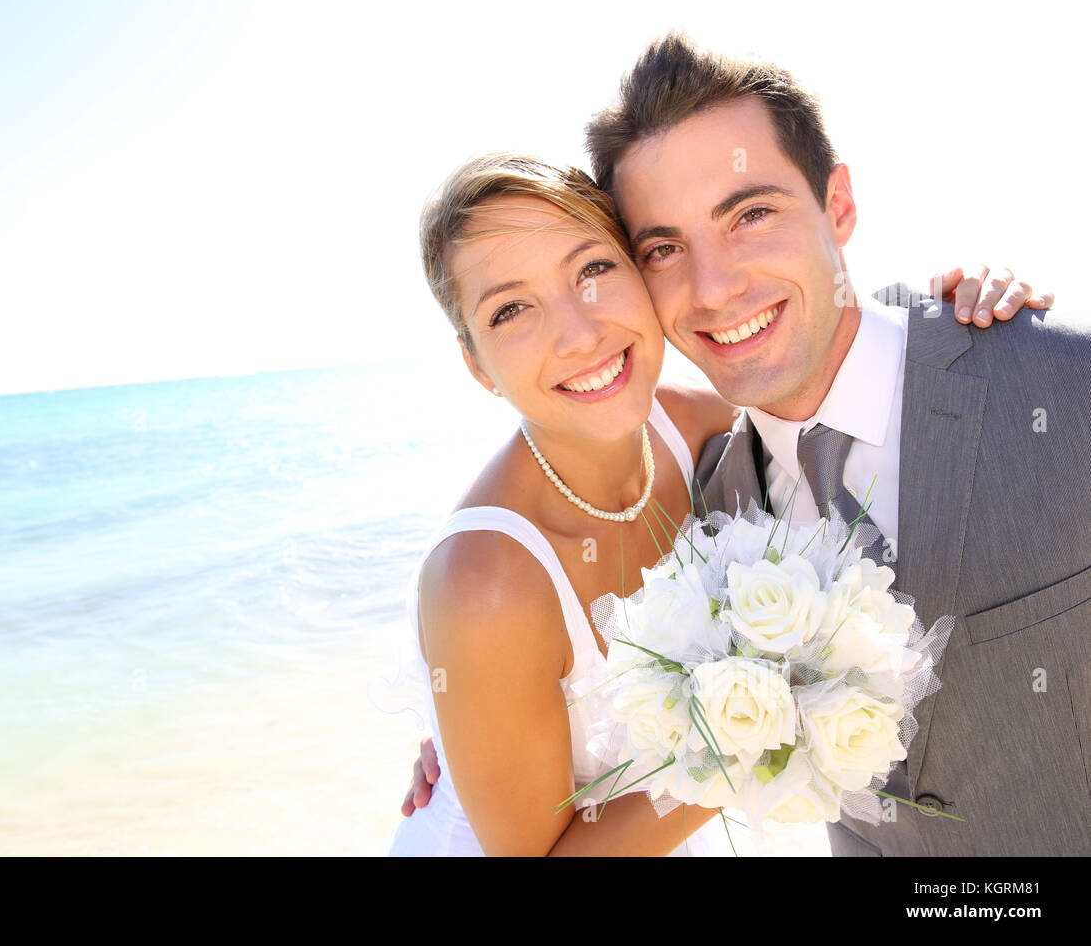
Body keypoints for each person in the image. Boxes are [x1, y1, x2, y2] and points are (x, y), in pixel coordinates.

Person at [388, 146, 1049, 856]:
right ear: (476, 364)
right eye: (511, 309)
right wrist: (762, 735)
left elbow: (839, 386)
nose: (579, 333)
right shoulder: (486, 583)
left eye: (593, 269)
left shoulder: (698, 426)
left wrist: (954, 318)